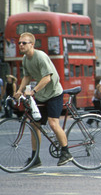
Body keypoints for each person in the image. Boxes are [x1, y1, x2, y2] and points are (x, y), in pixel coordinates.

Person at [13, 32, 73, 167]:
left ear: (32, 45)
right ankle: (35, 158)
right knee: (34, 125)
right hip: (41, 95)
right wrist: (19, 90)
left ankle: (66, 152)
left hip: (54, 93)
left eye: (24, 43)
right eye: (19, 43)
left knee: (53, 123)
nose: (21, 45)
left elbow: (47, 78)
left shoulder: (40, 56)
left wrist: (32, 91)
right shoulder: (25, 59)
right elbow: (27, 76)